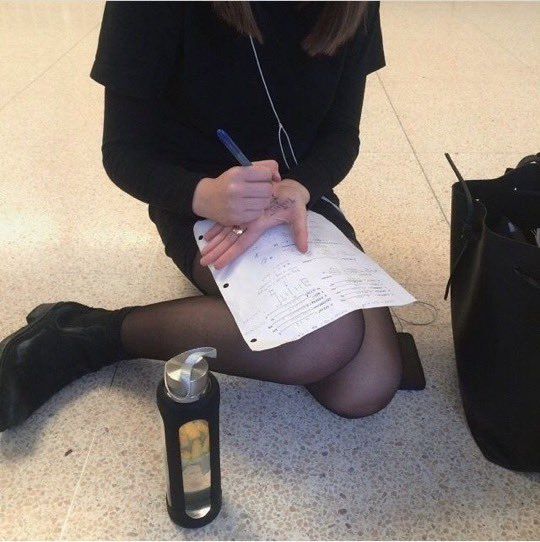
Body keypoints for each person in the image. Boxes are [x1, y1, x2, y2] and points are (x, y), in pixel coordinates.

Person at [0, 1, 420, 432]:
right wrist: (206, 195)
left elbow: (341, 134)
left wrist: (298, 188)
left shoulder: (352, 6)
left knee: (366, 387)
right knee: (327, 337)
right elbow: (124, 153)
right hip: (201, 207)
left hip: (300, 200)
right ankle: (93, 333)